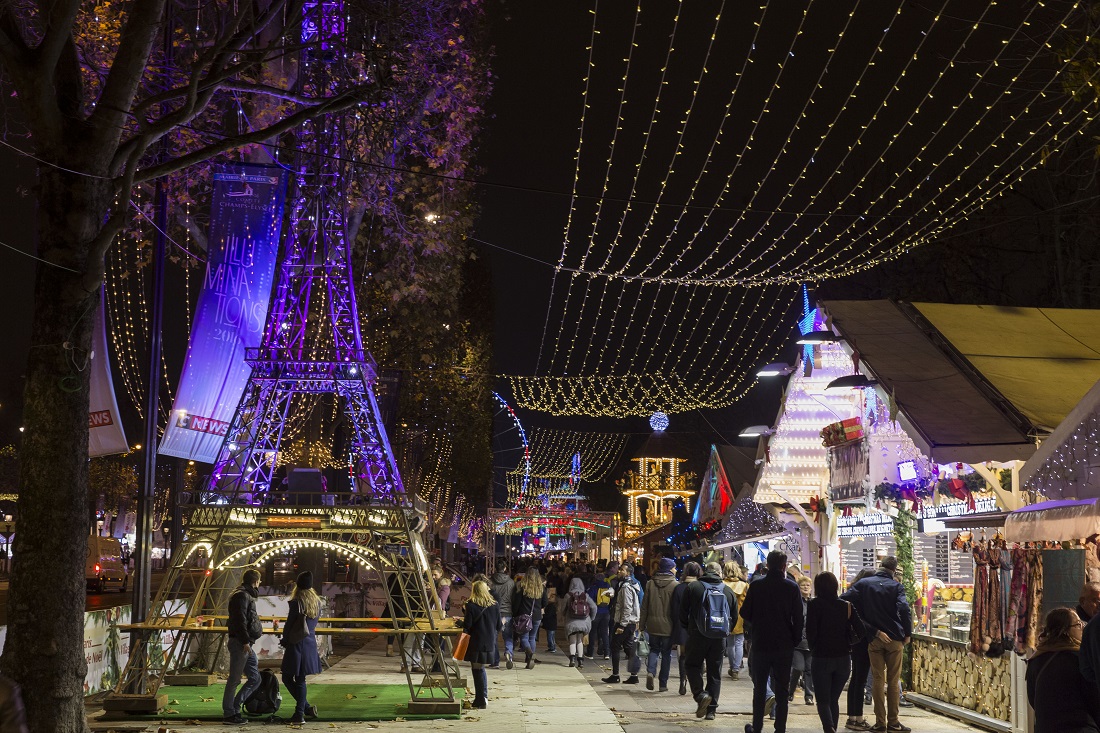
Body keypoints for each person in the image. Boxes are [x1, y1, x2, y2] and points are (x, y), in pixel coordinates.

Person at [842, 557, 912, 733]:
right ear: (894, 570)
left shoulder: (864, 584)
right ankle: (893, 723)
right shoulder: (896, 586)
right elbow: (904, 609)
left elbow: (843, 599)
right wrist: (907, 633)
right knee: (893, 681)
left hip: (874, 639)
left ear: (880, 566)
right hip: (894, 639)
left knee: (877, 680)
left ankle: (880, 723)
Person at [739, 550, 803, 733]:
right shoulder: (792, 587)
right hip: (784, 645)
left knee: (760, 688)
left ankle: (757, 727)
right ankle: (780, 728)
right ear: (784, 566)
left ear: (767, 565)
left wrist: (757, 622)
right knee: (782, 689)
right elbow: (799, 617)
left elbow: (744, 612)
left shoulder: (757, 586)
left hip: (761, 643)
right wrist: (794, 639)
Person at [679, 561, 737, 720]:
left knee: (692, 665)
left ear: (705, 571)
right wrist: (724, 631)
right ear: (720, 573)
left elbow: (682, 612)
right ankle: (711, 711)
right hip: (719, 638)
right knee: (714, 673)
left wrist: (689, 628)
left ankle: (700, 695)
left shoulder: (693, 587)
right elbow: (734, 616)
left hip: (697, 635)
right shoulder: (728, 591)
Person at [806, 572, 863, 733]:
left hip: (821, 658)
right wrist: (848, 643)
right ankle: (833, 729)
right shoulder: (846, 606)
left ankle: (829, 728)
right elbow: (861, 631)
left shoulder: (813, 604)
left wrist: (813, 647)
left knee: (823, 701)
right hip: (843, 659)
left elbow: (810, 631)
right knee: (833, 700)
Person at [1029, 608, 1100, 733]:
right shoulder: (1079, 659)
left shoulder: (1036, 659)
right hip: (1080, 728)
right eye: (1078, 625)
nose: (1082, 628)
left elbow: (1032, 698)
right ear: (1065, 630)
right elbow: (1094, 698)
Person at [223, 568, 263, 724]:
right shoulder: (242, 596)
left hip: (245, 643)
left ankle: (235, 707)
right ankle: (229, 713)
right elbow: (240, 620)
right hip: (241, 643)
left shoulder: (243, 595)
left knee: (255, 678)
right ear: (255, 582)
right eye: (259, 581)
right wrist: (245, 641)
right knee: (234, 679)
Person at [281, 571, 322, 724]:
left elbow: (289, 624)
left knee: (289, 677)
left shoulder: (296, 602)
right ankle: (304, 708)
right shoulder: (317, 602)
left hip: (296, 643)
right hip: (309, 642)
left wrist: (285, 639)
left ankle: (300, 713)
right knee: (300, 678)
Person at [640, 556, 679, 692]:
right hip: (668, 626)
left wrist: (641, 624)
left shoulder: (650, 583)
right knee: (666, 654)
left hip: (652, 624)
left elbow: (644, 606)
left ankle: (651, 672)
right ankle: (663, 684)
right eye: (674, 568)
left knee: (654, 649)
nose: (675, 570)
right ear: (669, 569)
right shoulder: (675, 585)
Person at [461, 580, 501, 709]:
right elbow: (499, 626)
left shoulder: (471, 605)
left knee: (477, 670)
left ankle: (481, 699)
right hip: (489, 641)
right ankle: (482, 697)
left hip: (476, 641)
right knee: (480, 669)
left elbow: (468, 625)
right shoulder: (494, 605)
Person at [602, 562, 642, 684]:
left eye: (622, 570)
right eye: (619, 569)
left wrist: (622, 625)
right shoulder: (627, 584)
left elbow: (627, 607)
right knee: (628, 647)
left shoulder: (625, 587)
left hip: (625, 622)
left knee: (615, 646)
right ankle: (634, 675)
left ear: (628, 573)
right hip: (630, 621)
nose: (619, 571)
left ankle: (616, 675)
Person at [671, 561, 702, 695]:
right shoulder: (701, 587)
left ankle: (682, 682)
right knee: (699, 655)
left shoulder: (679, 588)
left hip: (682, 627)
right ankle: (697, 685)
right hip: (699, 627)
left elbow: (674, 610)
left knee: (683, 656)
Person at [512, 567, 548, 669]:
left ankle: (530, 653)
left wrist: (515, 613)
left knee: (524, 637)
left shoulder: (522, 586)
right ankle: (529, 659)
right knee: (532, 637)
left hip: (524, 615)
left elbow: (517, 603)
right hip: (536, 616)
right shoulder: (541, 588)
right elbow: (545, 602)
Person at [790, 576, 815, 705]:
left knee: (809, 670)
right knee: (798, 668)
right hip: (798, 642)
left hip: (811, 642)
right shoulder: (795, 602)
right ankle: (790, 691)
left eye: (808, 585)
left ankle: (809, 696)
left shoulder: (814, 603)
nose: (805, 587)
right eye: (803, 585)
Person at [723, 562, 749, 681]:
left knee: (730, 644)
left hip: (726, 616)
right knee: (739, 643)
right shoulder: (744, 585)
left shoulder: (722, 585)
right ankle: (736, 670)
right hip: (740, 617)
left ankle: (732, 666)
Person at [564, 576, 598, 668]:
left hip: (571, 621)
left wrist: (564, 615)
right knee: (580, 640)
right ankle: (580, 661)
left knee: (572, 640)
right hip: (584, 622)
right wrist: (591, 618)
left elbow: (563, 609)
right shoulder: (585, 595)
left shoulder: (568, 595)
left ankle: (572, 659)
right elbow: (594, 607)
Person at [489, 560, 516, 668]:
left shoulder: (491, 582)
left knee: (493, 637)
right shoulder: (511, 582)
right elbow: (513, 598)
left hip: (494, 612)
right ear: (505, 568)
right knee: (508, 636)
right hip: (507, 612)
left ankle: (495, 661)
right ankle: (509, 652)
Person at [543, 587, 559, 652]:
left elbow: (548, 614)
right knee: (551, 636)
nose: (549, 598)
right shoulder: (551, 605)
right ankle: (552, 647)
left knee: (550, 636)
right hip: (551, 624)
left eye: (552, 597)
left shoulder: (552, 606)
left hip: (551, 624)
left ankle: (552, 647)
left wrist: (544, 615)